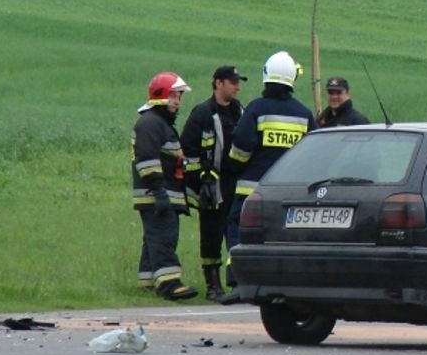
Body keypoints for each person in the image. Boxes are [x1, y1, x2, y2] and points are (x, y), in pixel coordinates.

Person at [221, 51, 317, 304]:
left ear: (266, 76)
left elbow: (242, 145)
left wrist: (233, 166)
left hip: (252, 189)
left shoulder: (256, 108)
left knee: (239, 231)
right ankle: (284, 287)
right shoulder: (304, 114)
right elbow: (314, 153)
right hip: (291, 192)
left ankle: (237, 281)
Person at [180, 65, 246, 301]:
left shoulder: (240, 110)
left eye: (238, 82)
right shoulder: (203, 113)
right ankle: (212, 284)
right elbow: (188, 149)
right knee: (211, 234)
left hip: (235, 183)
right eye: (233, 82)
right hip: (211, 186)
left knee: (235, 233)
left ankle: (237, 282)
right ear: (218, 83)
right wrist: (202, 181)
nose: (237, 87)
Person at [131, 71, 198, 301]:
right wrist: (159, 193)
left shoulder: (158, 123)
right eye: (174, 96)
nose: (178, 102)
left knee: (153, 238)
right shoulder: (151, 123)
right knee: (164, 237)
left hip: (160, 193)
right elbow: (147, 161)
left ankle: (147, 282)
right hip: (157, 193)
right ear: (161, 96)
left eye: (179, 97)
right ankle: (169, 284)